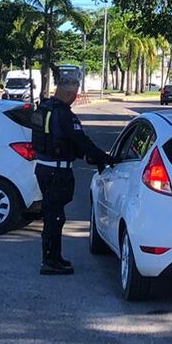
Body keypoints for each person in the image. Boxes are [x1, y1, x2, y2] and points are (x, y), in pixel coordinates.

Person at [31, 75, 109, 275]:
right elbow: (80, 141)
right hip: (57, 171)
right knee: (54, 217)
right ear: (67, 93)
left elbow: (62, 142)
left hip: (44, 168)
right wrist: (104, 157)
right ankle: (50, 261)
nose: (75, 98)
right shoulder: (63, 114)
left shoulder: (46, 108)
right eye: (74, 95)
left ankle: (54, 257)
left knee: (54, 215)